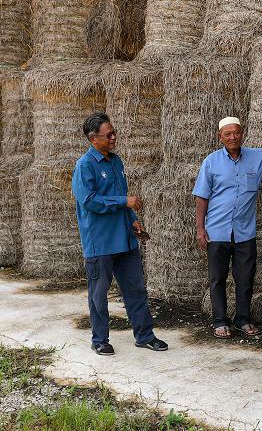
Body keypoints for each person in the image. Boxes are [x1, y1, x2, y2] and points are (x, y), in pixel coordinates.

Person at [194, 117, 262, 339]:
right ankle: (219, 320)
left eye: (236, 132)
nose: (233, 137)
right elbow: (202, 197)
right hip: (217, 230)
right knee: (218, 278)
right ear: (220, 137)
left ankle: (243, 319)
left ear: (242, 133)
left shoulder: (257, 157)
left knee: (245, 278)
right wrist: (200, 229)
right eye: (227, 134)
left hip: (245, 231)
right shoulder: (211, 162)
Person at [71, 112, 167, 356]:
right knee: (99, 295)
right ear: (93, 139)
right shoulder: (84, 166)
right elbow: (89, 201)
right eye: (108, 135)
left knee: (136, 290)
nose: (114, 137)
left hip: (124, 240)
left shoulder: (116, 162)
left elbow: (124, 201)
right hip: (100, 242)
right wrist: (124, 201)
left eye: (114, 132)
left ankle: (145, 335)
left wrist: (134, 221)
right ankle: (100, 340)